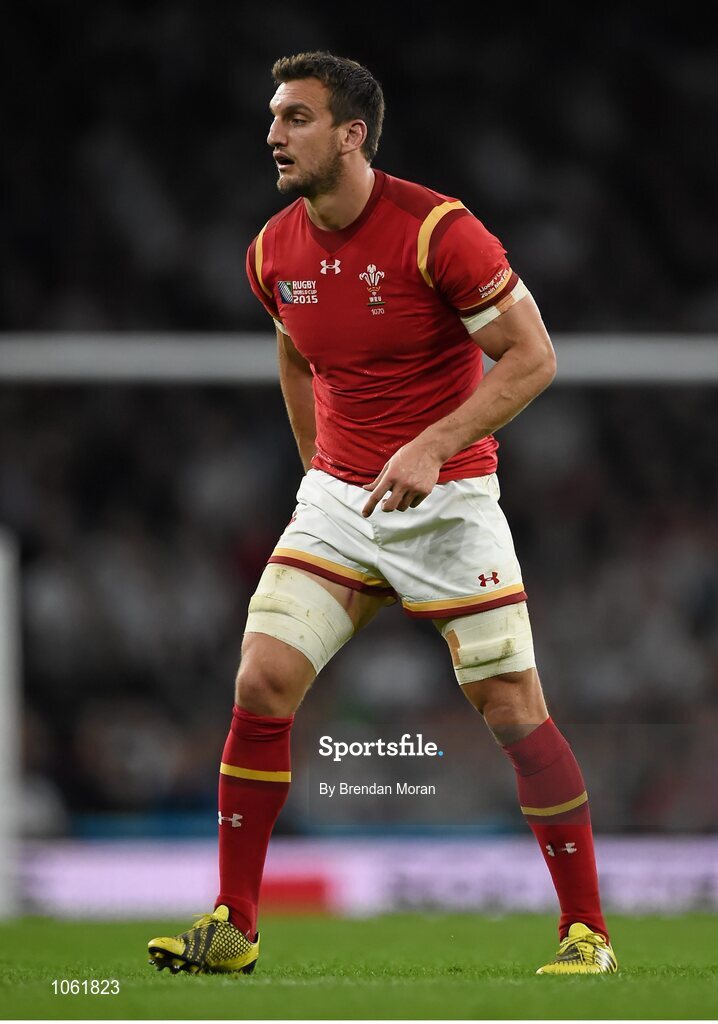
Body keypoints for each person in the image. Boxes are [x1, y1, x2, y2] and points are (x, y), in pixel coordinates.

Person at [148, 51, 617, 977]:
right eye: (274, 117)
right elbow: (293, 353)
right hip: (340, 498)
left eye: (296, 118)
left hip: (448, 501)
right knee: (261, 682)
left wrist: (434, 443)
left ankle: (587, 934)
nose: (273, 133)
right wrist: (318, 472)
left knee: (512, 709)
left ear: (351, 134)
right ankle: (234, 925)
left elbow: (532, 358)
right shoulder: (270, 250)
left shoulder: (438, 231)